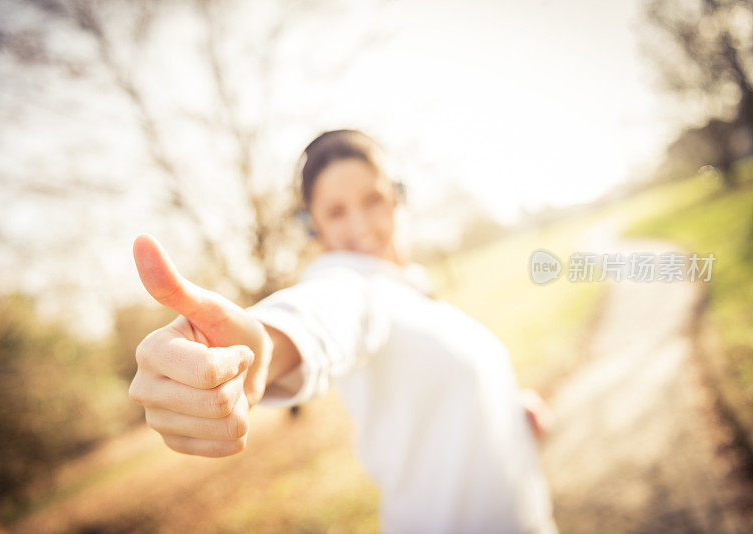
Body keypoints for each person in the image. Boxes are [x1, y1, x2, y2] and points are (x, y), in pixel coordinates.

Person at [129, 129, 557, 533]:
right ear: (312, 224)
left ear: (396, 197)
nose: (362, 225)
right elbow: (324, 314)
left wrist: (504, 410)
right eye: (336, 211)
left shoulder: (413, 290)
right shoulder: (352, 287)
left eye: (373, 200)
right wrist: (261, 345)